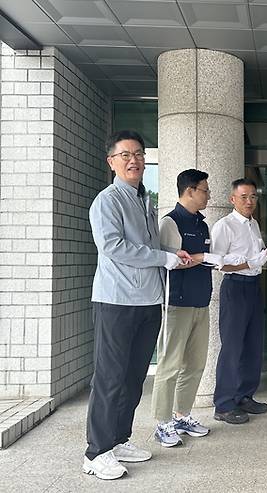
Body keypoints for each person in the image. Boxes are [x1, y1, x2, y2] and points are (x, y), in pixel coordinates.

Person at [85, 130, 191, 480]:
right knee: (110, 377)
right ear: (111, 162)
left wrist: (171, 256)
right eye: (126, 155)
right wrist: (163, 258)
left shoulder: (143, 199)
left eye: (140, 154)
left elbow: (149, 248)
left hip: (147, 301)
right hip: (117, 301)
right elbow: (113, 247)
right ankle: (96, 452)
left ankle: (118, 440)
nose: (134, 160)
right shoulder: (108, 200)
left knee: (132, 379)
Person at [151, 169, 216, 447]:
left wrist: (211, 259)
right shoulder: (171, 222)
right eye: (204, 190)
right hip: (177, 303)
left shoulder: (201, 223)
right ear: (189, 190)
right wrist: (204, 257)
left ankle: (182, 415)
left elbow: (202, 259)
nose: (208, 195)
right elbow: (172, 261)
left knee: (196, 363)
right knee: (170, 363)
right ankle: (162, 422)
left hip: (201, 301)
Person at [211, 178, 267, 425]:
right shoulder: (225, 225)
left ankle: (244, 396)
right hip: (235, 286)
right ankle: (223, 404)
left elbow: (259, 258)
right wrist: (249, 262)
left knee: (253, 344)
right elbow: (218, 263)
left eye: (253, 196)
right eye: (244, 197)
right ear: (233, 199)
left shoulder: (253, 225)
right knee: (232, 347)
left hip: (253, 287)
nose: (249, 201)